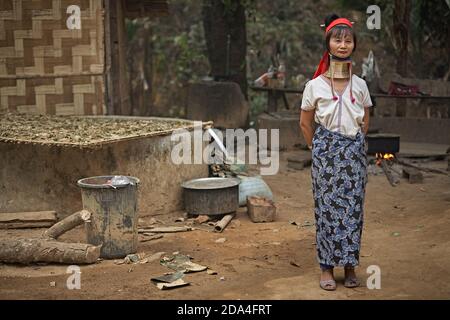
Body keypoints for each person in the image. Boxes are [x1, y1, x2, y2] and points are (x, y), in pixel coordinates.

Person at [299, 14, 373, 291]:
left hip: (353, 153)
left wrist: (352, 144)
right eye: (337, 39)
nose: (343, 45)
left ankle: (350, 265)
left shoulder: (361, 85)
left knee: (353, 209)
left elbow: (366, 120)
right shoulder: (314, 86)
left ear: (354, 45)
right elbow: (305, 123)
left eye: (348, 40)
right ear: (328, 43)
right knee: (327, 210)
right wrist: (319, 147)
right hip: (325, 155)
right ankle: (327, 268)